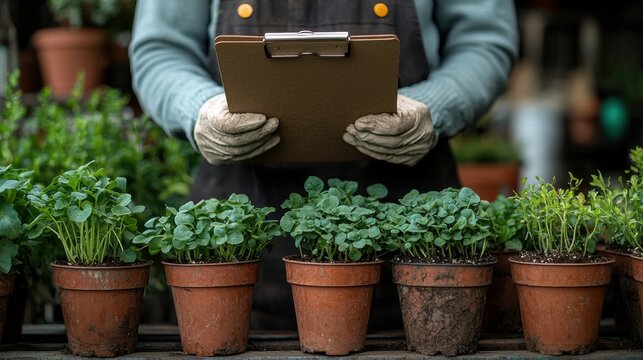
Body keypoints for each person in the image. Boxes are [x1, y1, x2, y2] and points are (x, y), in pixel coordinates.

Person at [130, 0, 518, 330]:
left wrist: (437, 104)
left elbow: (483, 43)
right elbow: (159, 50)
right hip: (238, 244)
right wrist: (198, 106)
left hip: (413, 252)